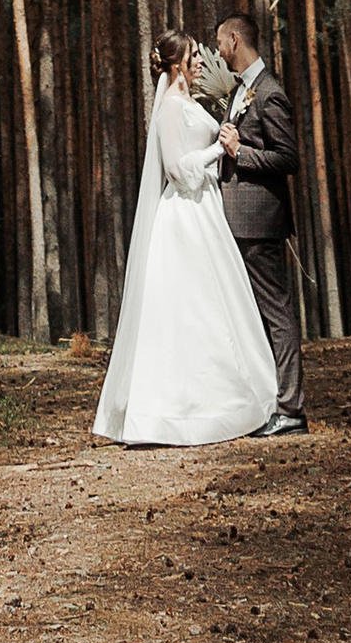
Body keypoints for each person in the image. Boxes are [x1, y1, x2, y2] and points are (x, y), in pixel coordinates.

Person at [91, 29, 280, 446]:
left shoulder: (189, 102)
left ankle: (225, 394)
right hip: (185, 215)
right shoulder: (172, 109)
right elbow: (177, 169)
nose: (201, 61)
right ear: (177, 63)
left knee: (214, 306)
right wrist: (220, 149)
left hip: (206, 209)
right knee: (190, 309)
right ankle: (178, 412)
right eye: (194, 55)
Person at [214, 7, 306, 434]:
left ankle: (291, 409)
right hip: (236, 220)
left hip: (259, 222)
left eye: (219, 42)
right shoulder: (239, 90)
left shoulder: (269, 92)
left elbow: (288, 158)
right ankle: (266, 401)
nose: (217, 50)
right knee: (249, 316)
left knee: (277, 313)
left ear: (235, 40)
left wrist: (240, 154)